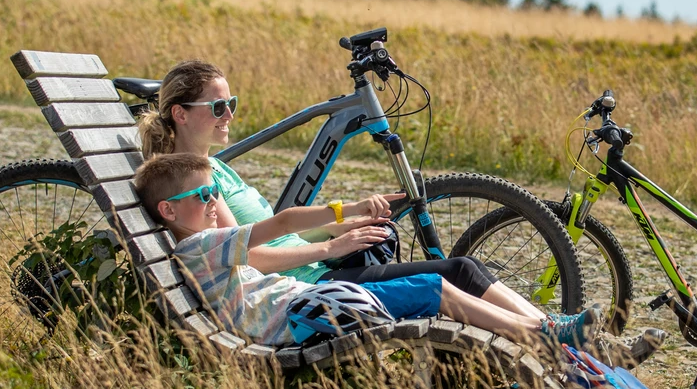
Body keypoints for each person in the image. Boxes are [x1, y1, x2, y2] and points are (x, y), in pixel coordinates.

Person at [135, 59, 663, 361]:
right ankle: (562, 342)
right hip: (313, 282)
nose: (230, 115)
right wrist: (334, 243)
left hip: (316, 269)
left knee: (457, 269)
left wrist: (344, 226)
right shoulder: (196, 189)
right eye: (219, 107)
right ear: (181, 114)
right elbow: (250, 257)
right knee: (456, 271)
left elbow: (268, 238)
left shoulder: (213, 170)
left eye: (233, 104)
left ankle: (568, 339)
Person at [133, 151, 602, 349]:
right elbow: (280, 223)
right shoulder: (198, 247)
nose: (213, 202)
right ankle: (540, 332)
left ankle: (542, 330)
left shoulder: (202, 242)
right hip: (306, 313)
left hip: (304, 303)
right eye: (201, 196)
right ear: (168, 212)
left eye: (214, 191)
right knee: (436, 287)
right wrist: (339, 225)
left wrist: (343, 218)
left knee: (440, 283)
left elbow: (269, 226)